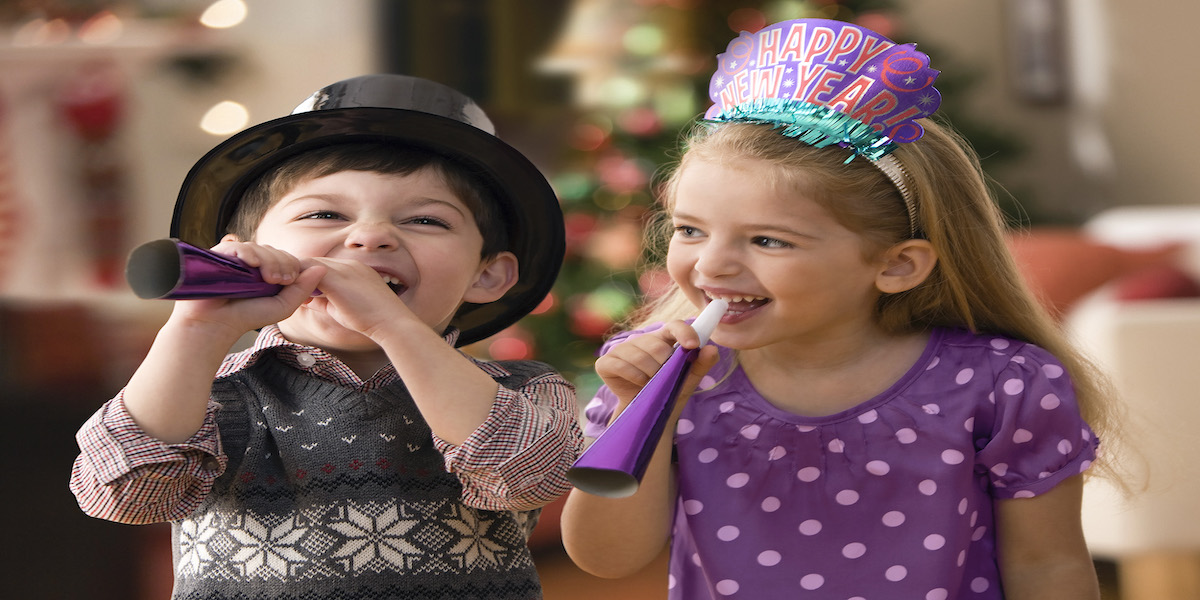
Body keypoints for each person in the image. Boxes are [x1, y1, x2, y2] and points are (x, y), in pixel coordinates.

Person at [560, 18, 1123, 600]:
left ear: (896, 265)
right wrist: (642, 413)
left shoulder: (1003, 385)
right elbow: (606, 559)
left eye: (767, 240)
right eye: (691, 230)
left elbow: (1048, 568)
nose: (712, 266)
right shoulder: (659, 379)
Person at [70, 74, 582, 599]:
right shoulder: (211, 394)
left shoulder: (522, 391)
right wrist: (199, 328)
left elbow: (531, 476)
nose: (370, 236)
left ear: (487, 275)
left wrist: (393, 325)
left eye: (426, 220)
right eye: (324, 214)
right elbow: (125, 494)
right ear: (244, 250)